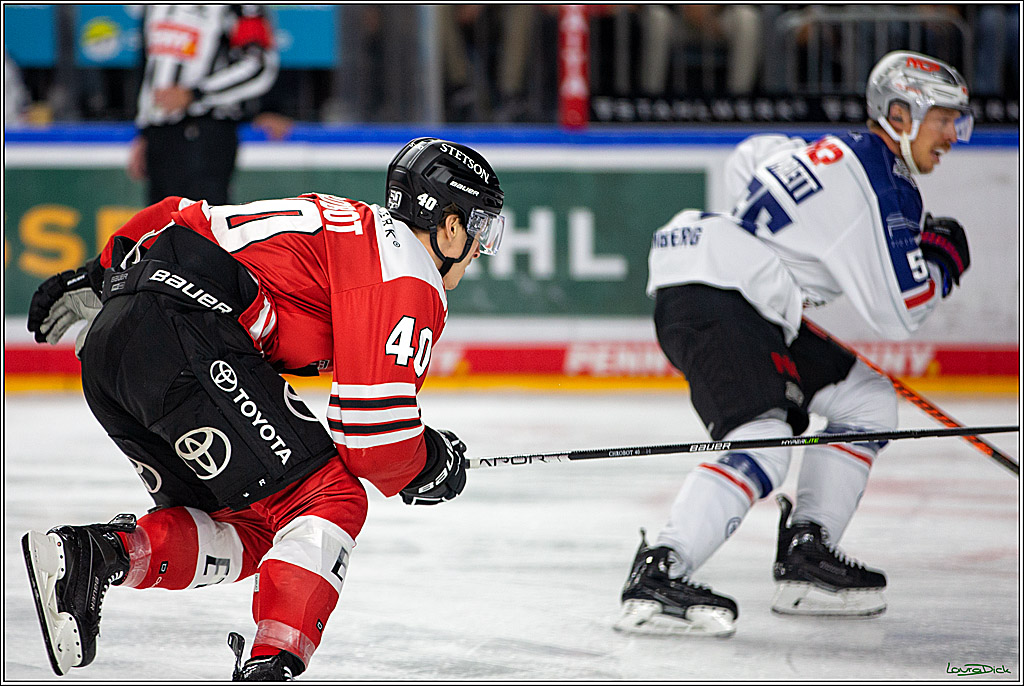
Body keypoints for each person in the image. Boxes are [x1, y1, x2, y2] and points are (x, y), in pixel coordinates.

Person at [22, 138, 505, 680]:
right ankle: (271, 667)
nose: (481, 248)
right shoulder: (408, 272)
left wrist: (96, 274)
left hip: (111, 352)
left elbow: (175, 214)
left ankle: (94, 556)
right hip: (187, 338)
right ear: (450, 226)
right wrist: (430, 463)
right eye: (481, 227)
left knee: (256, 523)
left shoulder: (349, 225)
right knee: (330, 498)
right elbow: (375, 439)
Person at [616, 50, 974, 637]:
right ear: (901, 116)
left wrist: (787, 267)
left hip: (729, 288)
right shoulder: (883, 180)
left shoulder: (826, 151)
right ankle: (661, 568)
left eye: (959, 122)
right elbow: (902, 312)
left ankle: (808, 554)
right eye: (944, 120)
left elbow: (749, 157)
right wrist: (942, 258)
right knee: (762, 442)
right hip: (725, 294)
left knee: (866, 400)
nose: (954, 136)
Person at [126, 5, 279, 205]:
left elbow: (259, 66)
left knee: (203, 219)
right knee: (162, 220)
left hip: (206, 132)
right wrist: (144, 131)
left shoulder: (241, 7)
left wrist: (195, 94)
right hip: (160, 135)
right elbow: (150, 66)